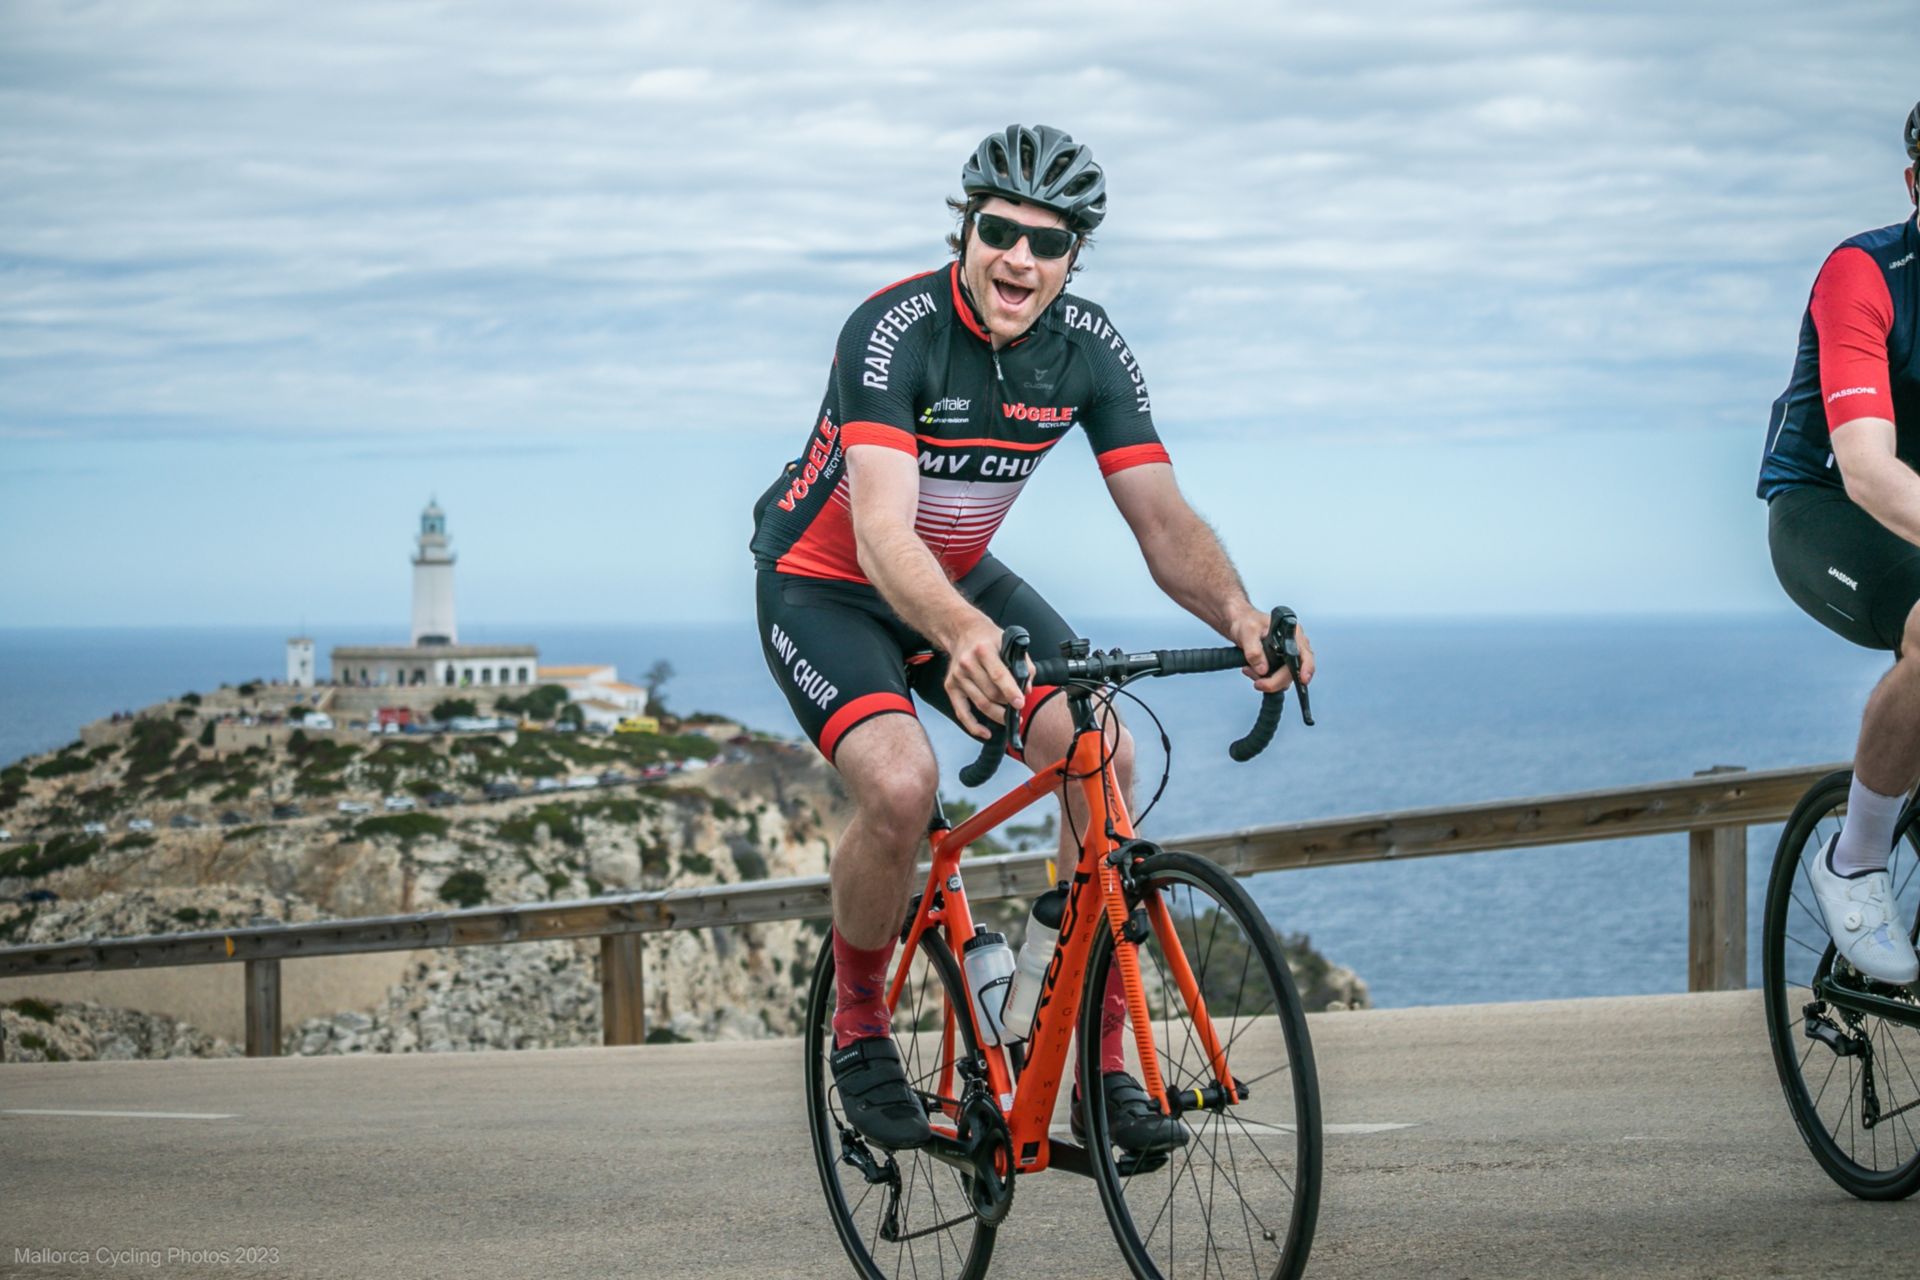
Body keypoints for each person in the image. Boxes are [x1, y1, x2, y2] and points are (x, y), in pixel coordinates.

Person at [752, 125, 1315, 1150]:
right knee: (902, 785)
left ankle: (1093, 1052)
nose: (1020, 258)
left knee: (1105, 754)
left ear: (1072, 258)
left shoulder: (1087, 350)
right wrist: (964, 632)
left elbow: (1162, 519)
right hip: (828, 585)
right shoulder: (894, 331)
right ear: (965, 231)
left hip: (958, 574)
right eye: (999, 232)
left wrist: (1238, 614)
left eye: (1047, 242)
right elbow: (881, 533)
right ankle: (861, 1024)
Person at [1758, 101, 1920, 987]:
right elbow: (1867, 470)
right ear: (1915, 186)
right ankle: (1855, 860)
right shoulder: (1865, 274)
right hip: (1826, 509)